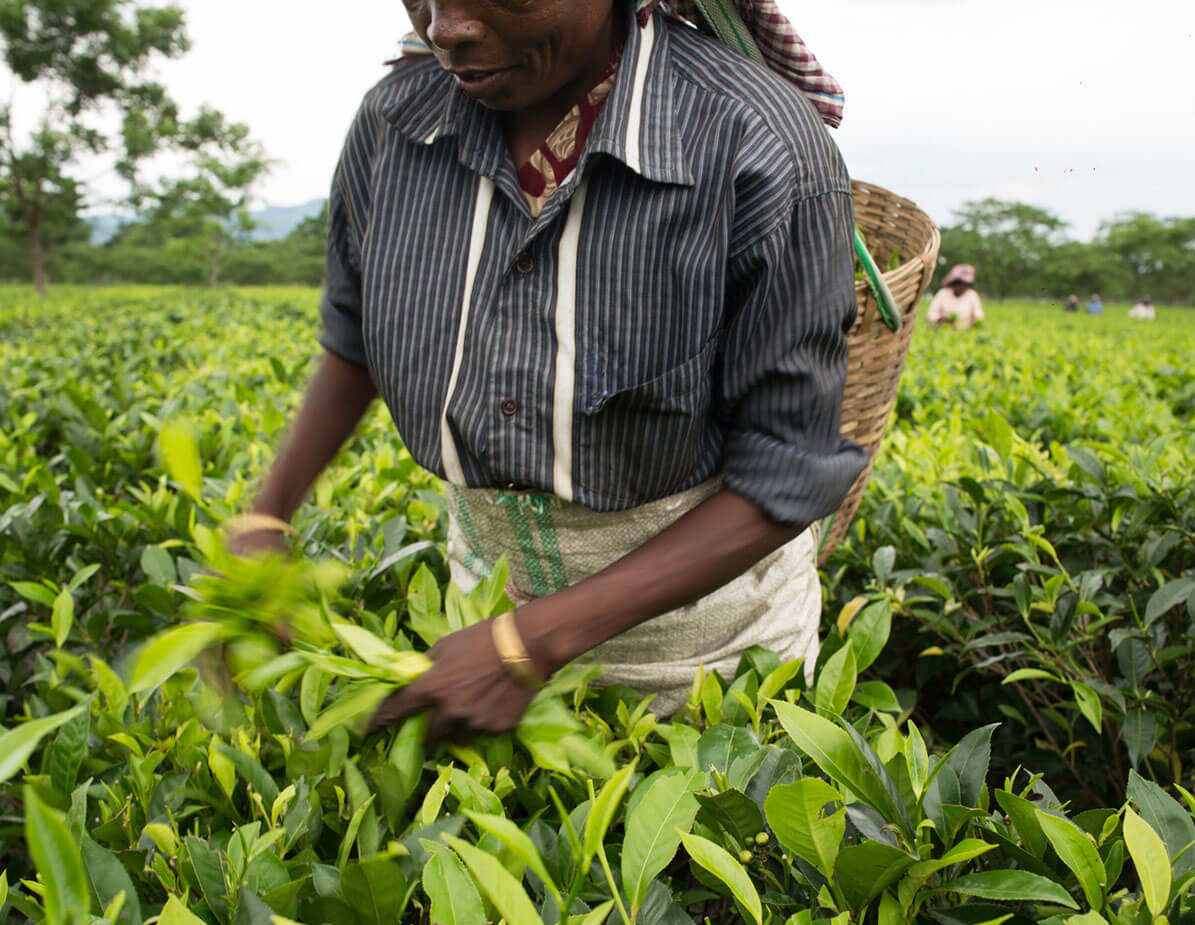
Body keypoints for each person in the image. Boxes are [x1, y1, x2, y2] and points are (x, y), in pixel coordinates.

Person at [233, 0, 866, 742]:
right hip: (482, 615)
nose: (447, 28)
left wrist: (526, 644)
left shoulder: (753, 140)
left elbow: (786, 470)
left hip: (702, 650)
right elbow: (355, 337)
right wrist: (265, 515)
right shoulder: (395, 124)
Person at [926, 264, 984, 329]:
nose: (963, 287)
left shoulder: (972, 295)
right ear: (954, 282)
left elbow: (978, 316)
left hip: (965, 331)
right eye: (960, 283)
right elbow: (931, 314)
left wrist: (968, 324)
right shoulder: (943, 293)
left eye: (966, 284)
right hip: (942, 329)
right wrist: (941, 320)